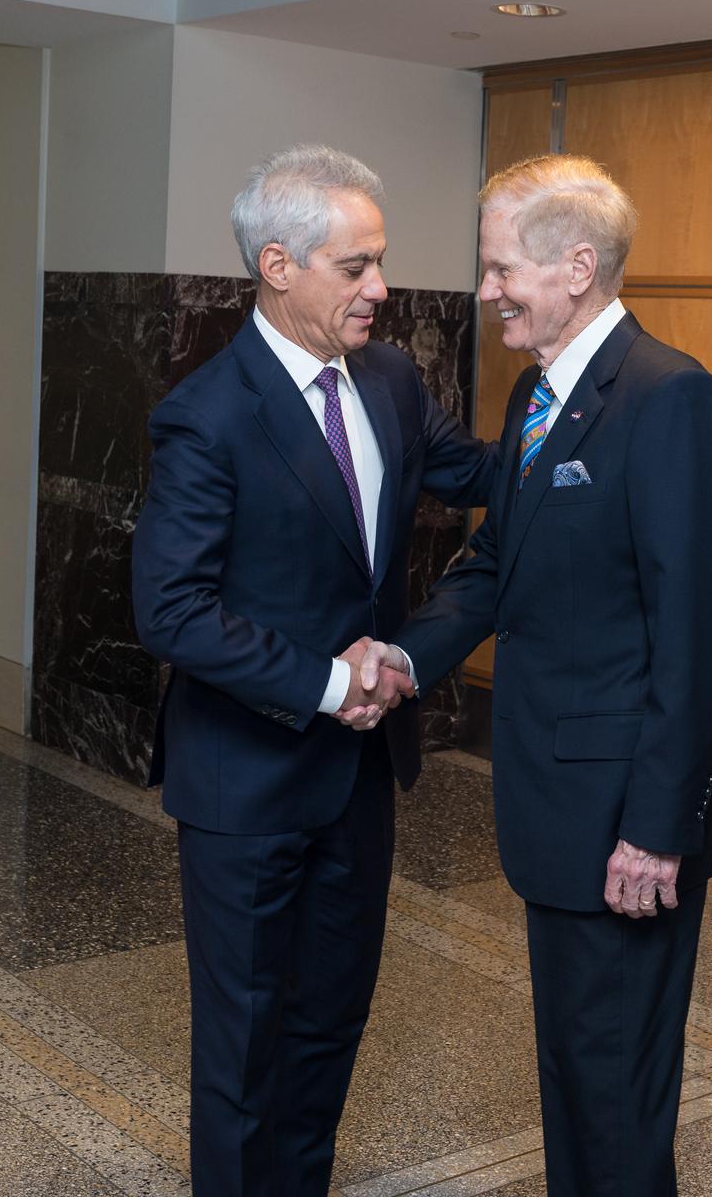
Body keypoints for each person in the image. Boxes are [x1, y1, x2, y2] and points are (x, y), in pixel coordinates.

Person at [350, 154, 712, 1196]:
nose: (485, 293)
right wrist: (403, 655)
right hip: (559, 810)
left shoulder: (670, 401)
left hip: (624, 819)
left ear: (576, 266)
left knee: (615, 1090)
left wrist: (658, 825)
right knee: (577, 1071)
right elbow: (495, 563)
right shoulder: (540, 392)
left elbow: (695, 637)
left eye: (497, 270)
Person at [131, 144, 498, 1197]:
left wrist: (580, 408)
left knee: (329, 1029)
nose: (382, 288)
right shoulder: (208, 412)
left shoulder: (386, 375)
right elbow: (172, 611)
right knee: (243, 1052)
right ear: (279, 264)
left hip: (358, 784)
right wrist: (335, 684)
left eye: (380, 262)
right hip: (246, 782)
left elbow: (471, 470)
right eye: (358, 266)